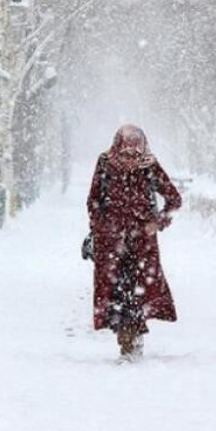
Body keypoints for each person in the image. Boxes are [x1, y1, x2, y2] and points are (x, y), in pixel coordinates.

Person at [87, 124, 182, 361]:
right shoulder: (105, 163)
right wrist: (100, 227)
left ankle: (132, 339)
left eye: (135, 151)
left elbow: (174, 199)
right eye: (126, 150)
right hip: (111, 244)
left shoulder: (149, 166)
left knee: (136, 292)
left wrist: (157, 223)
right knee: (117, 292)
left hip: (141, 245)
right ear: (117, 145)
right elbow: (93, 200)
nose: (130, 156)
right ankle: (126, 338)